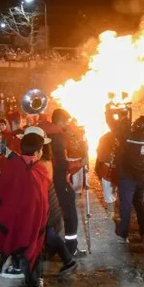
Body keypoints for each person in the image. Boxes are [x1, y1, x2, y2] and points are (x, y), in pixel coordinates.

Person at [0, 126, 68, 287]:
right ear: (38, 150)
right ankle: (35, 286)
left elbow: (2, 188)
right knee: (33, 252)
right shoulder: (40, 168)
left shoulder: (17, 165)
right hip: (36, 220)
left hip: (18, 219)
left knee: (26, 252)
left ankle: (34, 285)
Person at [42, 109, 81, 257]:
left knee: (50, 214)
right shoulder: (58, 136)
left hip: (46, 181)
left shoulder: (44, 132)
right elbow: (61, 163)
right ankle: (71, 248)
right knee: (70, 214)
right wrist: (79, 163)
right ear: (60, 121)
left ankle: (50, 248)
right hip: (58, 180)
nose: (67, 124)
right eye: (66, 122)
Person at [115, 116, 144, 243]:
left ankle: (124, 235)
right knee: (140, 204)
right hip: (141, 177)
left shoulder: (131, 138)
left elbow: (118, 135)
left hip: (128, 176)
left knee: (125, 206)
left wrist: (120, 121)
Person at [95, 128, 118, 218]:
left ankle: (111, 214)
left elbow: (100, 155)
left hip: (108, 170)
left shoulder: (105, 138)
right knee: (113, 192)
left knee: (109, 193)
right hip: (117, 170)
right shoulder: (124, 136)